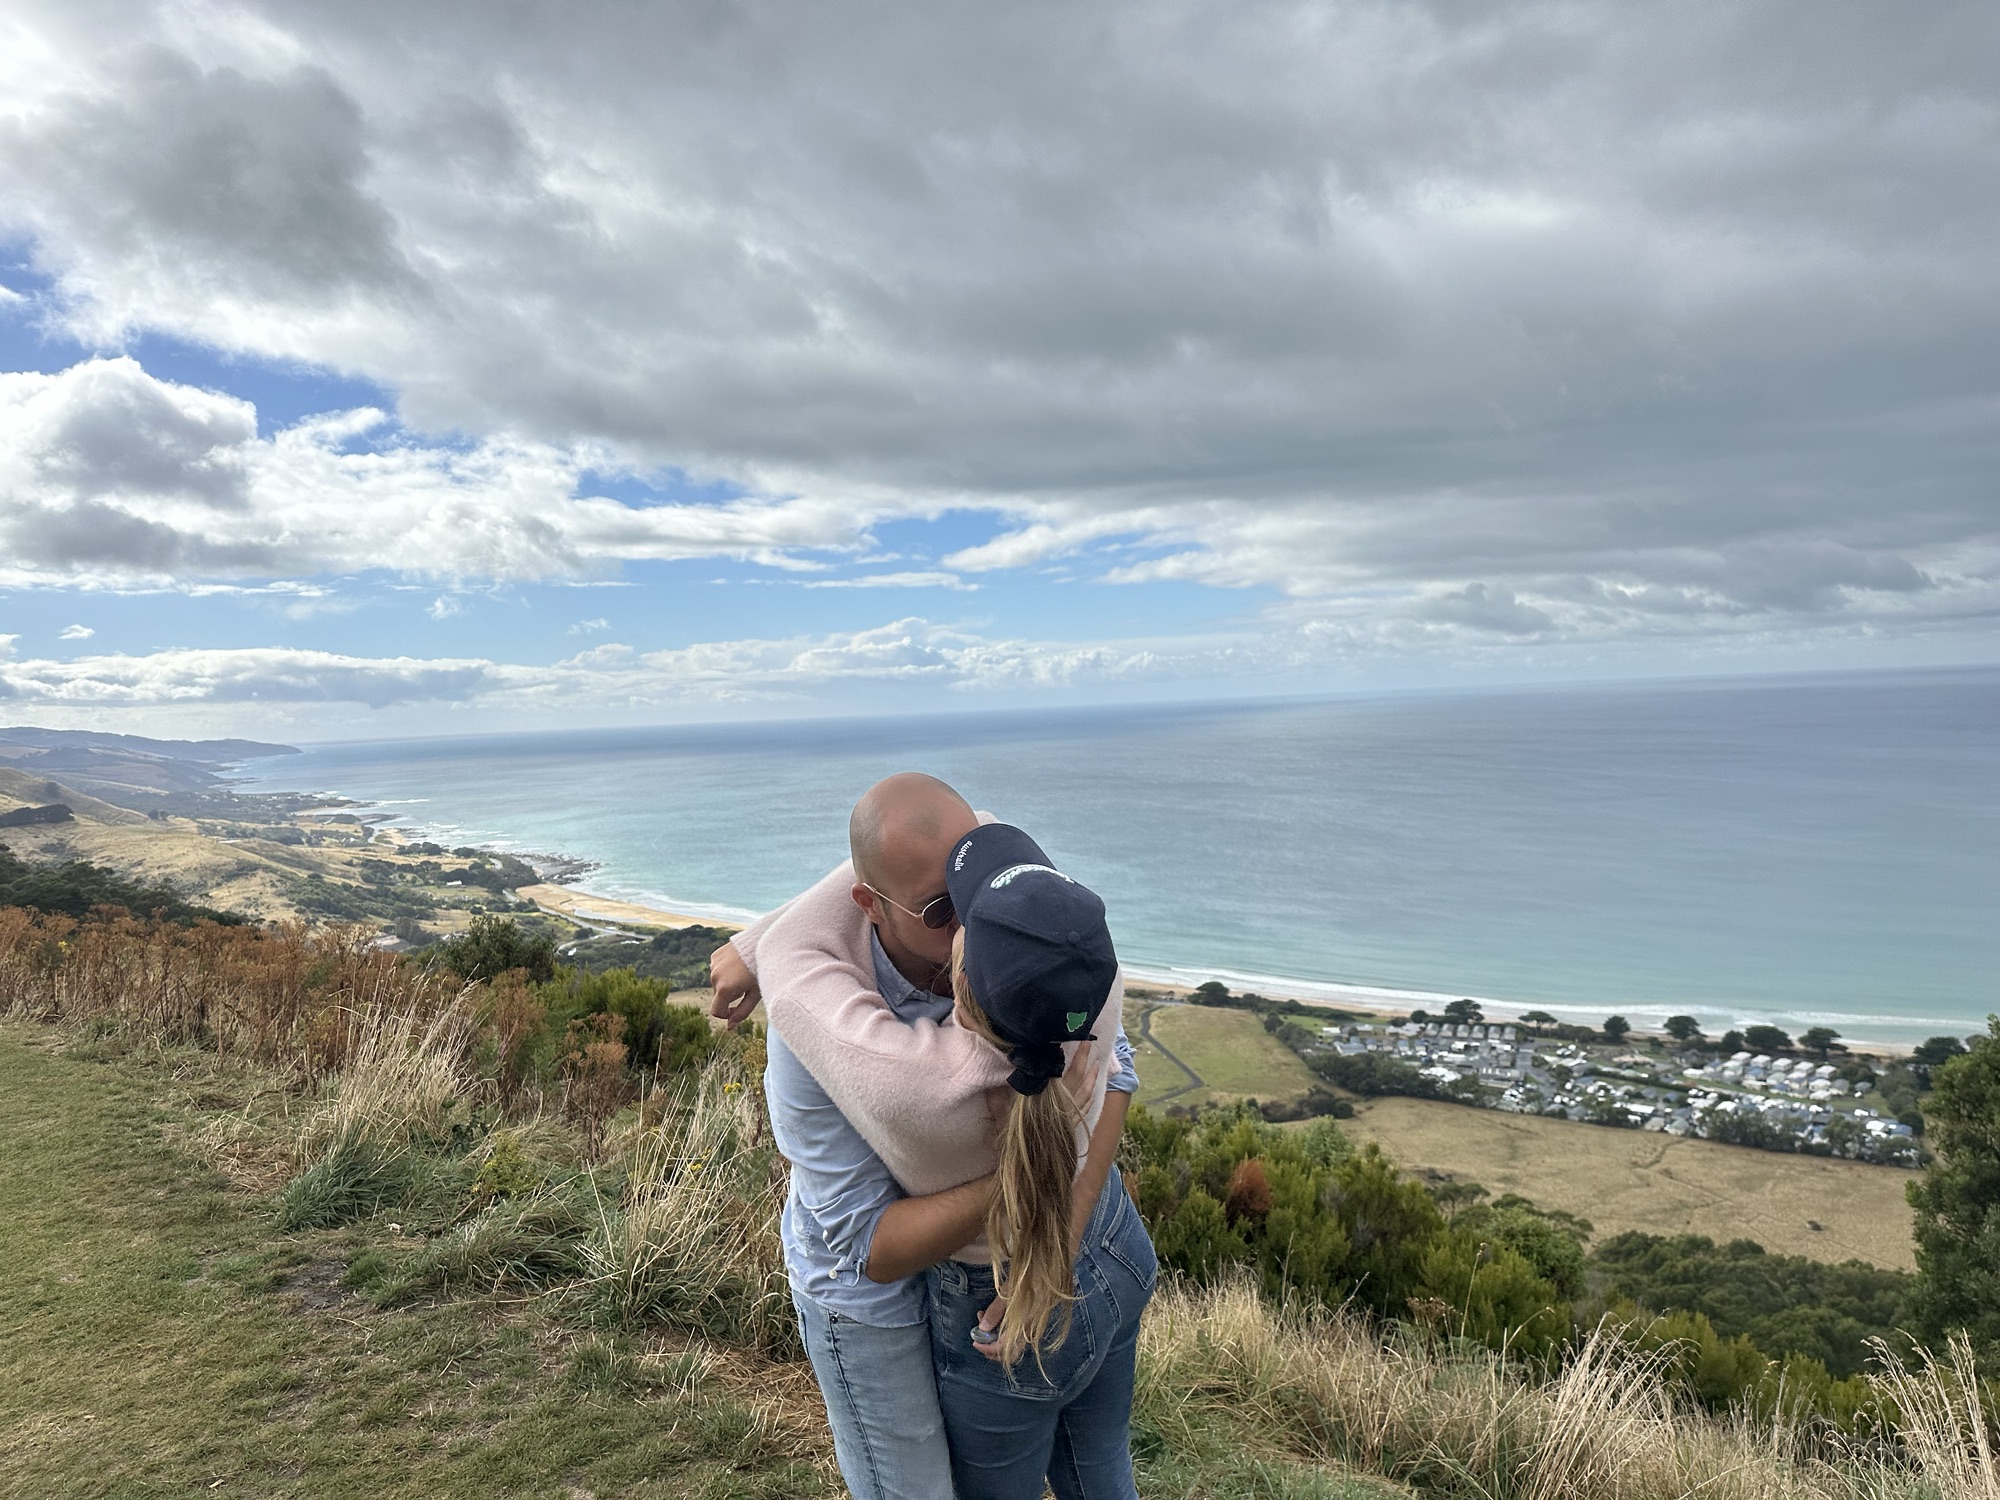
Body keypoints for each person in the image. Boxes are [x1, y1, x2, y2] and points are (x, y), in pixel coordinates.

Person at [710, 774, 1139, 1500]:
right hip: (866, 1294)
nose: (974, 925)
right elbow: (867, 1245)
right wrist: (1043, 1199)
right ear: (870, 906)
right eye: (943, 910)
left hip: (985, 1277)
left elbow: (1117, 1065)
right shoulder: (822, 1032)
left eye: (973, 892)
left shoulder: (1011, 937)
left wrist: (1056, 1240)